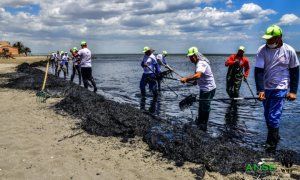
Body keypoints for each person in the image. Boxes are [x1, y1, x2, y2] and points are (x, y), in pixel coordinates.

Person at [255, 25, 299, 152]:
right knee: (267, 115)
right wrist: (260, 90)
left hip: (281, 87)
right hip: (266, 87)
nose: (267, 41)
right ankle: (276, 137)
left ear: (279, 38)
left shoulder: (289, 50)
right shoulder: (262, 50)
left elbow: (295, 72)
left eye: (270, 39)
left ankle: (270, 147)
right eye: (266, 39)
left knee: (274, 116)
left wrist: (293, 91)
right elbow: (258, 71)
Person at [180, 47, 216, 131]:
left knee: (205, 107)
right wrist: (195, 82)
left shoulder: (201, 63)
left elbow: (198, 75)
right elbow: (199, 76)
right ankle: (200, 122)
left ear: (196, 55)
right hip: (204, 89)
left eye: (191, 56)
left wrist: (186, 79)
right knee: (201, 106)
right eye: (189, 57)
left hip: (208, 89)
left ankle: (204, 125)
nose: (190, 58)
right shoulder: (198, 63)